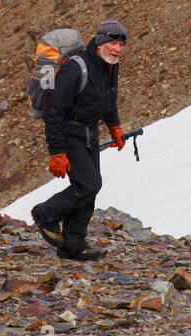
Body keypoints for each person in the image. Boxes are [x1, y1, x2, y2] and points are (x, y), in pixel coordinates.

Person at [30, 18, 126, 261]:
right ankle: (45, 213)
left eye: (121, 44)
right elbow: (53, 112)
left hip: (90, 133)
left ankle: (73, 244)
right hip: (69, 133)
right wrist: (57, 152)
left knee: (90, 189)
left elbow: (108, 99)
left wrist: (114, 126)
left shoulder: (110, 66)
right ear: (100, 43)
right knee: (88, 184)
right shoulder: (76, 68)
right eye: (113, 43)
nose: (118, 49)